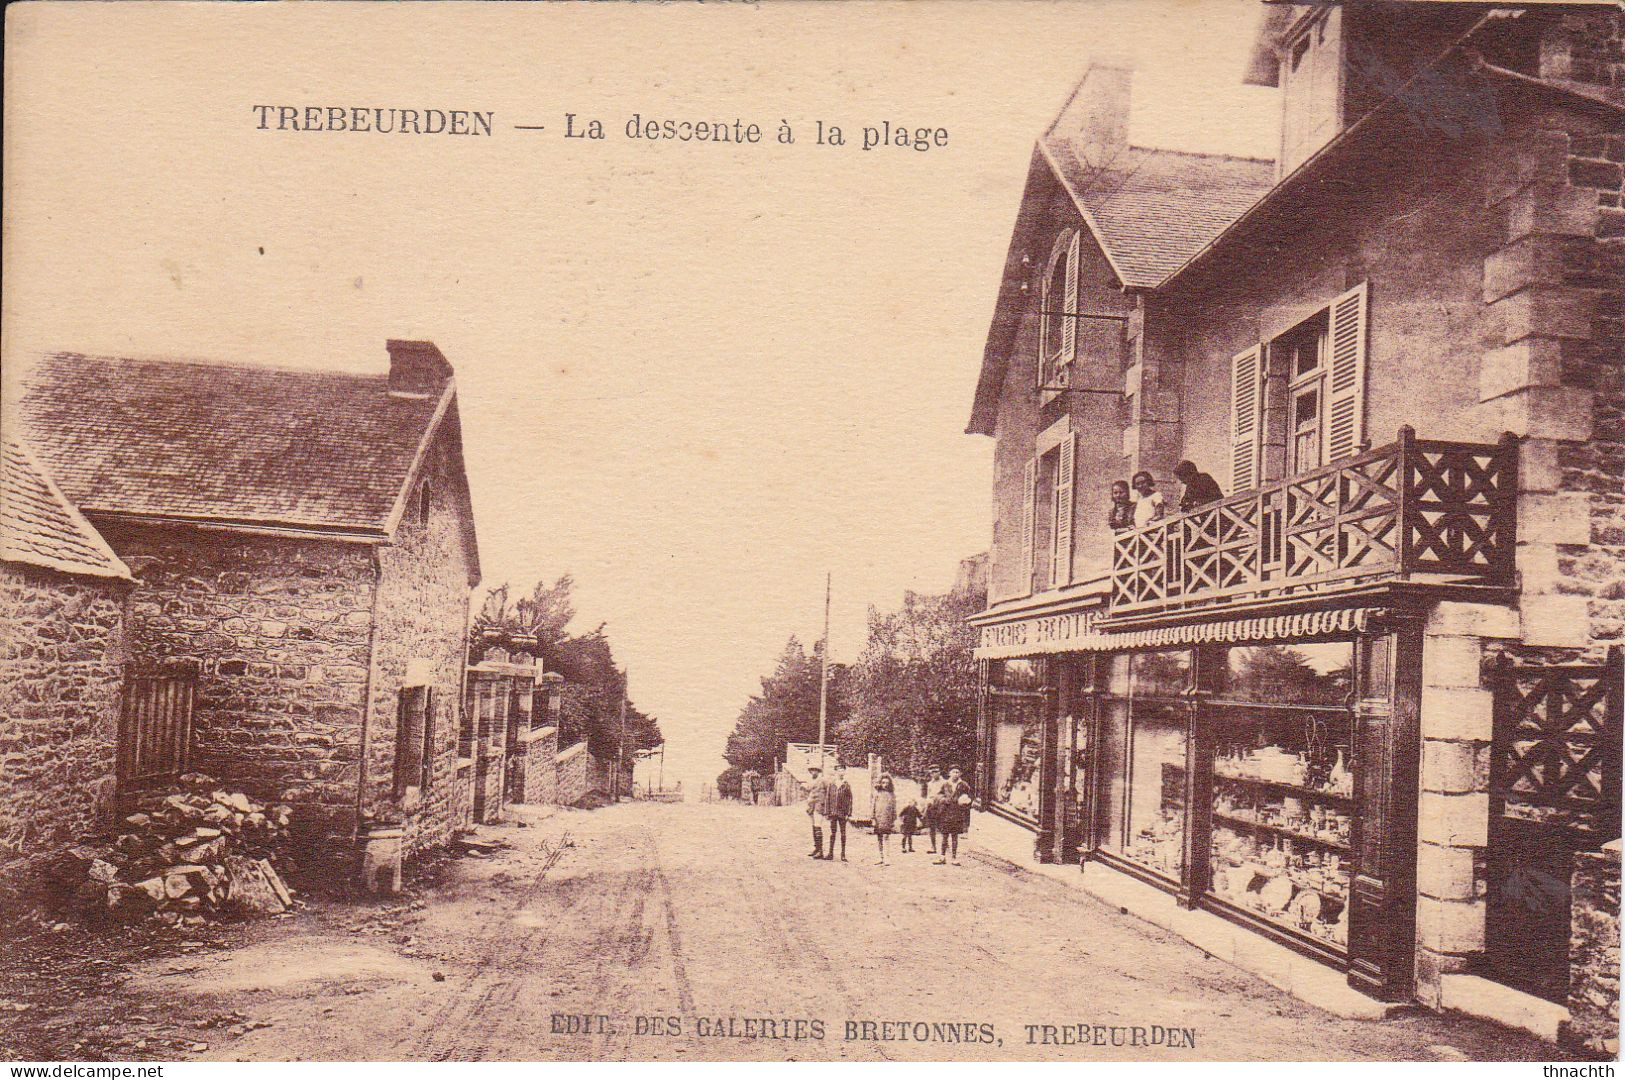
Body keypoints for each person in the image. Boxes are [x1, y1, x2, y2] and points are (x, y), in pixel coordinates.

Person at [934, 766, 973, 866]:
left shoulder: (963, 785)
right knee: (944, 836)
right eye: (953, 772)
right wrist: (942, 799)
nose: (955, 774)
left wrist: (965, 801)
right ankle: (942, 857)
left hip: (957, 813)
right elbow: (939, 795)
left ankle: (954, 857)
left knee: (955, 836)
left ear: (960, 774)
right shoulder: (945, 784)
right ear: (949, 773)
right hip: (946, 813)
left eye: (957, 772)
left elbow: (970, 796)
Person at [826, 765, 853, 861]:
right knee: (832, 833)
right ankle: (830, 853)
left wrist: (848, 813)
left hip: (842, 813)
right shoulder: (831, 784)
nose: (841, 772)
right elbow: (828, 798)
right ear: (836, 772)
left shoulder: (846, 785)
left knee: (843, 834)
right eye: (839, 771)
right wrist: (827, 812)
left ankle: (843, 855)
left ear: (845, 772)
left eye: (843, 771)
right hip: (833, 812)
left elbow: (850, 800)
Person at [870, 774, 897, 865]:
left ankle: (887, 857)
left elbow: (894, 808)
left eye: (887, 783)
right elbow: (873, 806)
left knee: (886, 837)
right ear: (880, 783)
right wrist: (873, 818)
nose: (885, 784)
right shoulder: (877, 793)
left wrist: (893, 820)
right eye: (883, 783)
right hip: (878, 818)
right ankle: (880, 857)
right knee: (879, 838)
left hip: (887, 819)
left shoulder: (892, 794)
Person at [804, 764, 829, 858]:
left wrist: (826, 806)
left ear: (819, 771)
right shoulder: (811, 780)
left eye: (815, 770)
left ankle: (821, 851)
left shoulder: (823, 780)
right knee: (814, 826)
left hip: (819, 805)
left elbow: (828, 792)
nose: (813, 772)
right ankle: (816, 848)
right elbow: (809, 790)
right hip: (812, 805)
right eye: (811, 770)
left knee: (818, 826)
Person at [923, 765, 947, 854]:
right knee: (931, 827)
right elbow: (928, 795)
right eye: (932, 772)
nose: (934, 774)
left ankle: (944, 846)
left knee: (942, 827)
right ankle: (933, 846)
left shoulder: (945, 783)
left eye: (936, 771)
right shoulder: (930, 783)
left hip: (941, 807)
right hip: (931, 806)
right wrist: (926, 806)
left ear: (939, 772)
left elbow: (947, 795)